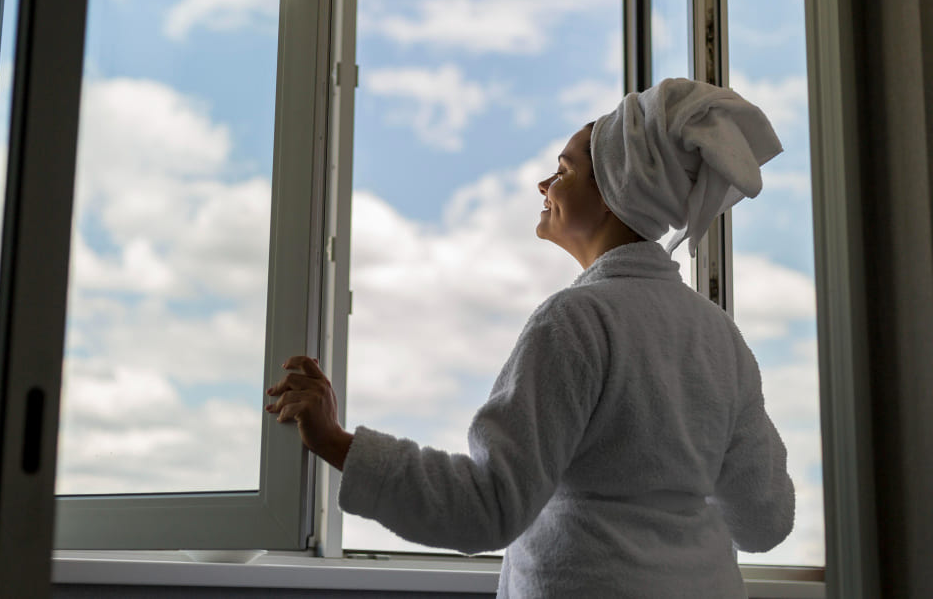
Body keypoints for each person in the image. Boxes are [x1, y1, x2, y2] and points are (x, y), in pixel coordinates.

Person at [266, 78, 796, 598]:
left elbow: (488, 507)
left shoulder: (576, 322)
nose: (544, 185)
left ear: (615, 192)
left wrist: (334, 441)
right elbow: (764, 520)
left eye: (563, 171)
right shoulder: (720, 337)